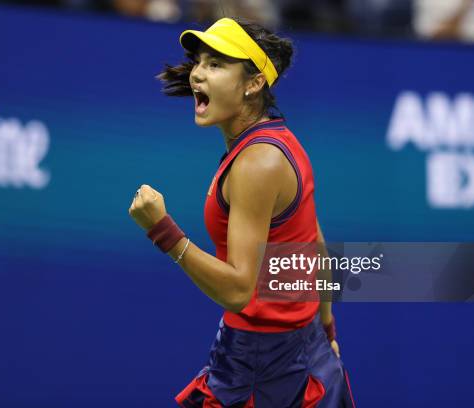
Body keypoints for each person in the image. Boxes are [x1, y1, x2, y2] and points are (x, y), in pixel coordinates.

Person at [128, 17, 355, 407]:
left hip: (260, 370)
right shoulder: (280, 140)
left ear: (253, 85)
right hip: (304, 355)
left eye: (216, 65)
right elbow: (315, 245)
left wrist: (162, 231)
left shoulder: (256, 164)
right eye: (199, 62)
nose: (198, 74)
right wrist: (326, 326)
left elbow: (237, 290)